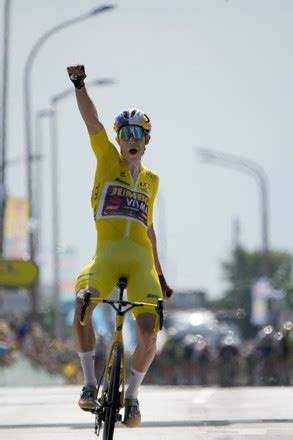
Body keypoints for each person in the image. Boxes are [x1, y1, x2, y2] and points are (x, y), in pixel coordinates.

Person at [67, 64, 173, 428]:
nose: (131, 138)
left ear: (146, 141)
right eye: (125, 132)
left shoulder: (152, 181)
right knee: (82, 305)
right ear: (118, 138)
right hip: (106, 259)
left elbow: (150, 230)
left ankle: (132, 397)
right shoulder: (107, 159)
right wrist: (79, 84)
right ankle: (89, 383)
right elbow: (92, 122)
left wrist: (161, 275)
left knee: (148, 332)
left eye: (138, 133)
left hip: (141, 263)